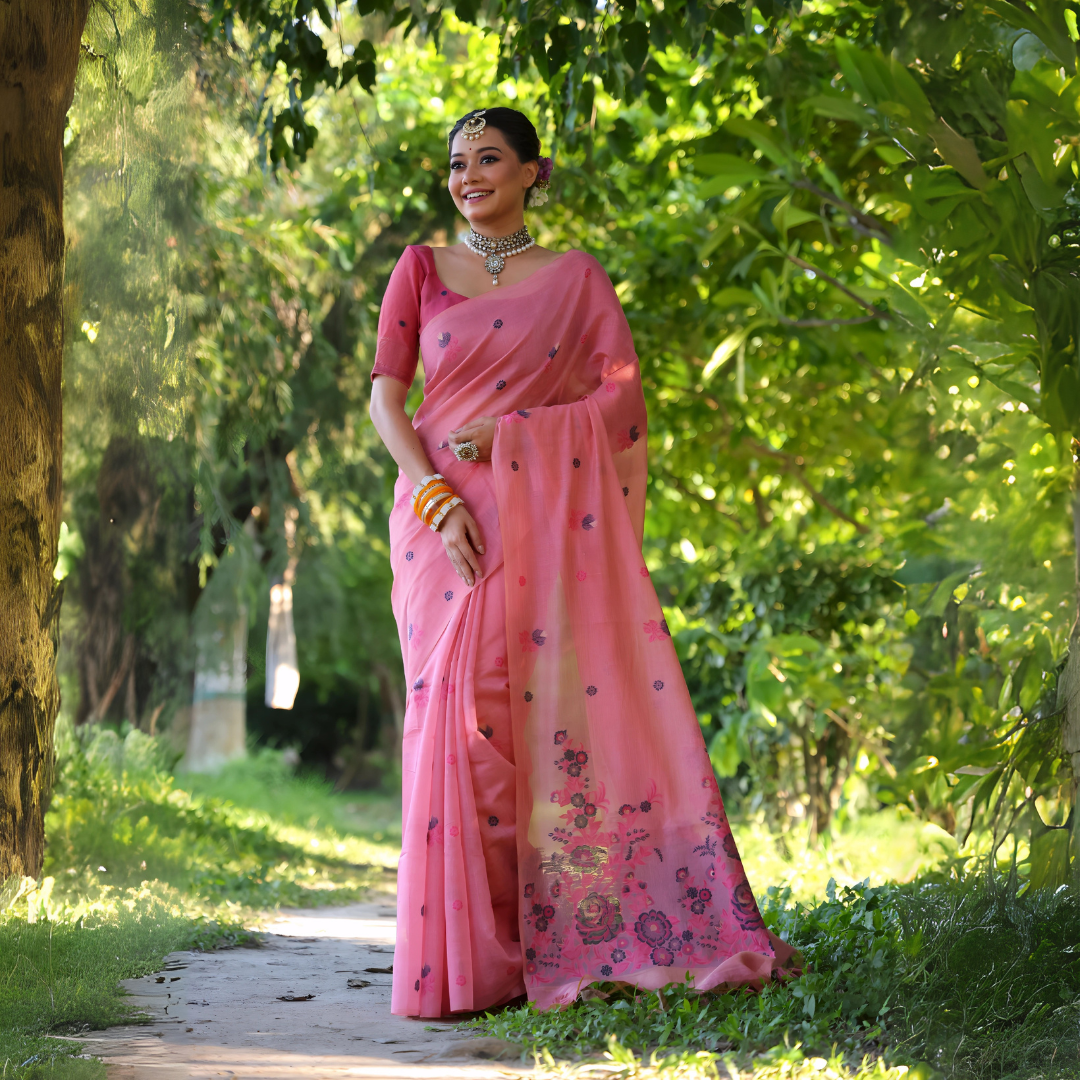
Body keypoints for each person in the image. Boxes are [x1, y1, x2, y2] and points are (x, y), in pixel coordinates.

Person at [369, 107, 796, 1019]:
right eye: (456, 163)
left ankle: (537, 941)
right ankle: (466, 962)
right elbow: (386, 403)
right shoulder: (418, 270)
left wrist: (518, 433)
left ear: (534, 172)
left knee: (512, 723)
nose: (468, 175)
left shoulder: (574, 280)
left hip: (532, 522)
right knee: (447, 726)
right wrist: (436, 495)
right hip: (434, 525)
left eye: (489, 159)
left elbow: (621, 406)